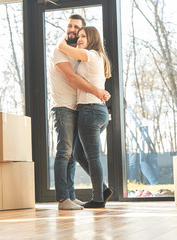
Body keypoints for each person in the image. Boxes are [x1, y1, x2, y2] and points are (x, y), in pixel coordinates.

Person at [49, 14, 112, 210]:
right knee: (67, 153)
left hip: (85, 109)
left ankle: (77, 195)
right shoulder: (62, 52)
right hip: (65, 107)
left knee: (76, 155)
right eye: (70, 26)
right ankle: (64, 198)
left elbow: (88, 77)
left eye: (78, 29)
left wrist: (98, 91)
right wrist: (99, 91)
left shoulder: (84, 54)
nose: (73, 30)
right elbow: (73, 79)